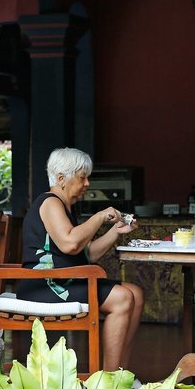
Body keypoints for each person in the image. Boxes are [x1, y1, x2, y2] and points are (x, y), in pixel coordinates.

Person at [21, 147, 143, 373]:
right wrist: (99, 216)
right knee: (123, 298)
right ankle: (108, 381)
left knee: (135, 293)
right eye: (82, 177)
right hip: (44, 284)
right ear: (61, 179)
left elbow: (86, 254)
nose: (87, 183)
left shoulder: (66, 207)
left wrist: (115, 232)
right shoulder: (50, 202)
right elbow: (70, 243)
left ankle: (121, 374)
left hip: (61, 280)